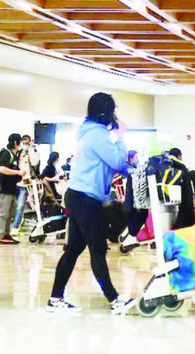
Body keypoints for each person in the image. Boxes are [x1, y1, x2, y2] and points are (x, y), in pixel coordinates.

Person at [48, 92, 134, 315]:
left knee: (74, 249)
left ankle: (55, 298)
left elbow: (112, 164)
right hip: (85, 199)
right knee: (97, 248)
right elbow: (116, 160)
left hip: (78, 195)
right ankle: (114, 299)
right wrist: (122, 136)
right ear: (107, 111)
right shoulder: (97, 135)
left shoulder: (89, 132)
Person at [0, 134, 25, 244]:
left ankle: (6, 234)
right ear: (16, 143)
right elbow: (2, 169)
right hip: (4, 188)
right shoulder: (5, 153)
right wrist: (17, 172)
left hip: (11, 188)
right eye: (20, 142)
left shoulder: (14, 155)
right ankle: (1, 235)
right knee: (3, 213)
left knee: (9, 213)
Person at [168, 148, 195, 229]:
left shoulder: (166, 164)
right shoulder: (181, 166)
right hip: (183, 198)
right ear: (179, 156)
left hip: (167, 196)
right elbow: (187, 188)